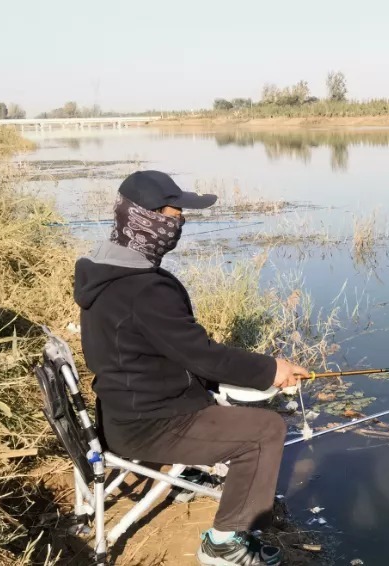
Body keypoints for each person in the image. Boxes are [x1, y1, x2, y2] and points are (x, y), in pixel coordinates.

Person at [73, 170, 306, 565]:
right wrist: (271, 370)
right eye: (173, 212)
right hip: (149, 423)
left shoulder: (104, 267)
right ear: (144, 218)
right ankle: (223, 544)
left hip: (124, 409)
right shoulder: (143, 289)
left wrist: (235, 379)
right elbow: (202, 355)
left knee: (237, 407)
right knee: (266, 430)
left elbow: (175, 351)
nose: (179, 221)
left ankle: (199, 477)